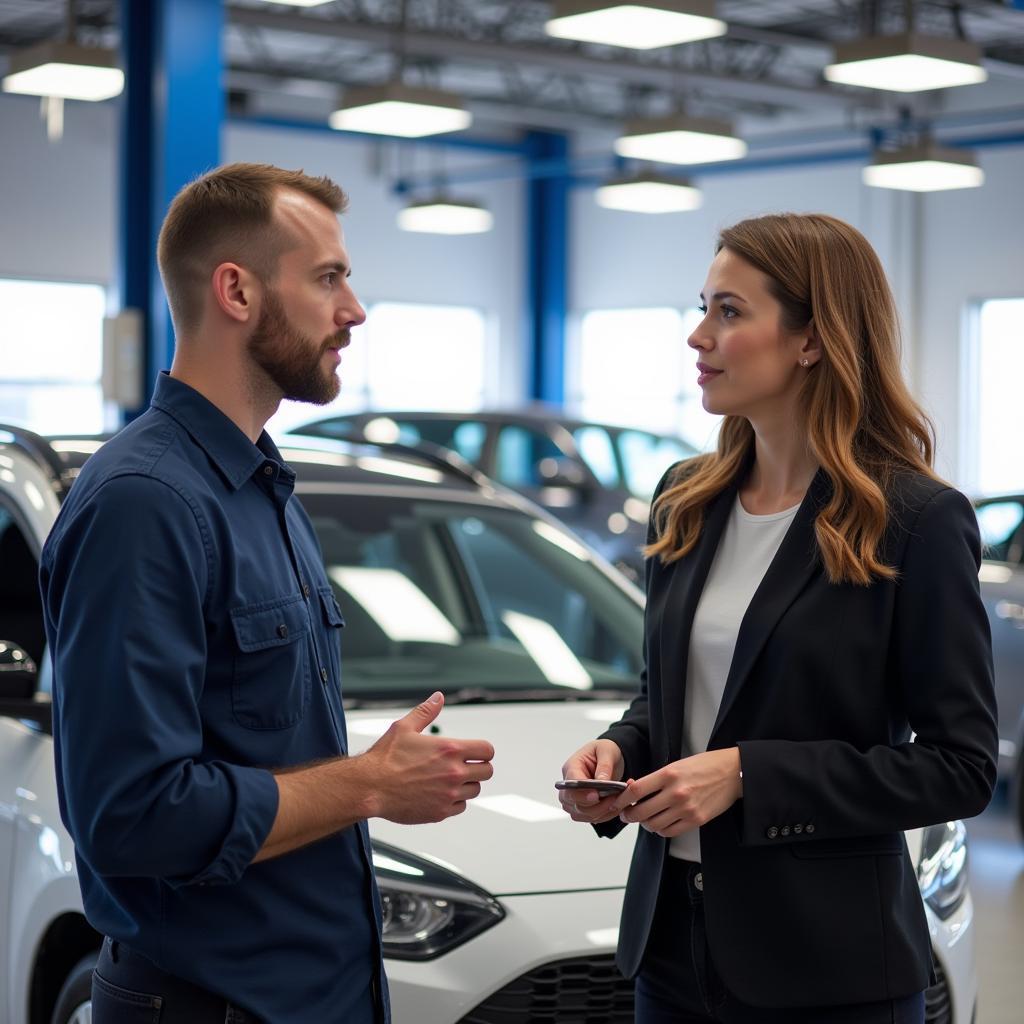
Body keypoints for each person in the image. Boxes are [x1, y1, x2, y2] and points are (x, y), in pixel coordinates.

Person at [40, 163, 495, 1024]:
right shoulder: (147, 504)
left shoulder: (260, 488)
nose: (354, 311)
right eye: (329, 278)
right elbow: (132, 814)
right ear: (237, 291)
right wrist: (366, 786)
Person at [558, 212, 998, 1024]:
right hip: (669, 949)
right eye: (703, 306)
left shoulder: (914, 519)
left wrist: (749, 774)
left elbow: (959, 766)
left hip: (827, 969)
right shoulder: (687, 499)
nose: (698, 336)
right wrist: (620, 749)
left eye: (730, 311)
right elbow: (673, 695)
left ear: (812, 339)